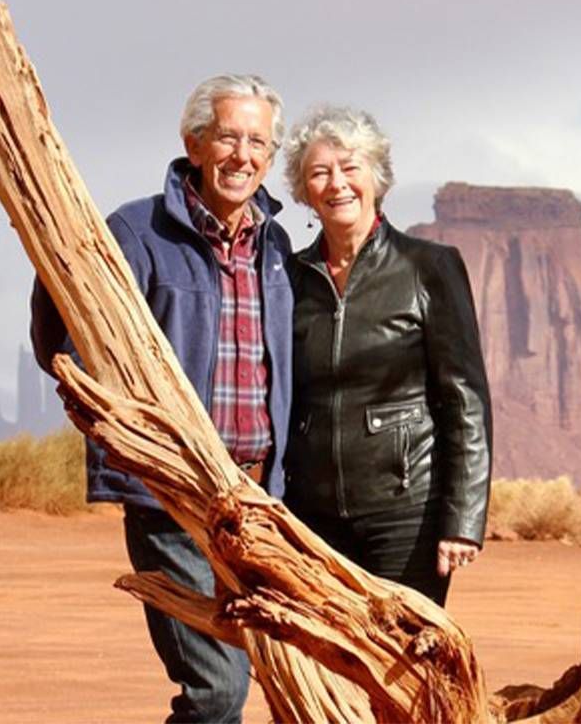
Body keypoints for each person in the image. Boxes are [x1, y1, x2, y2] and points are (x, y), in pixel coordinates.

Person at [30, 74, 293, 723]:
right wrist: (114, 429)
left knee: (277, 666)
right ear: (194, 142)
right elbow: (63, 322)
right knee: (217, 688)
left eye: (258, 142)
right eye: (228, 137)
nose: (243, 155)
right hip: (171, 494)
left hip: (257, 497)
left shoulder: (277, 247)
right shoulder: (139, 230)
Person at [282, 105, 491, 606]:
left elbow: (464, 399)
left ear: (376, 177)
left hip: (407, 513)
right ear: (304, 191)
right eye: (320, 172)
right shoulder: (288, 277)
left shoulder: (429, 267)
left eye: (350, 168)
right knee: (327, 666)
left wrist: (462, 521)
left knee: (400, 660)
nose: (338, 184)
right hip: (311, 516)